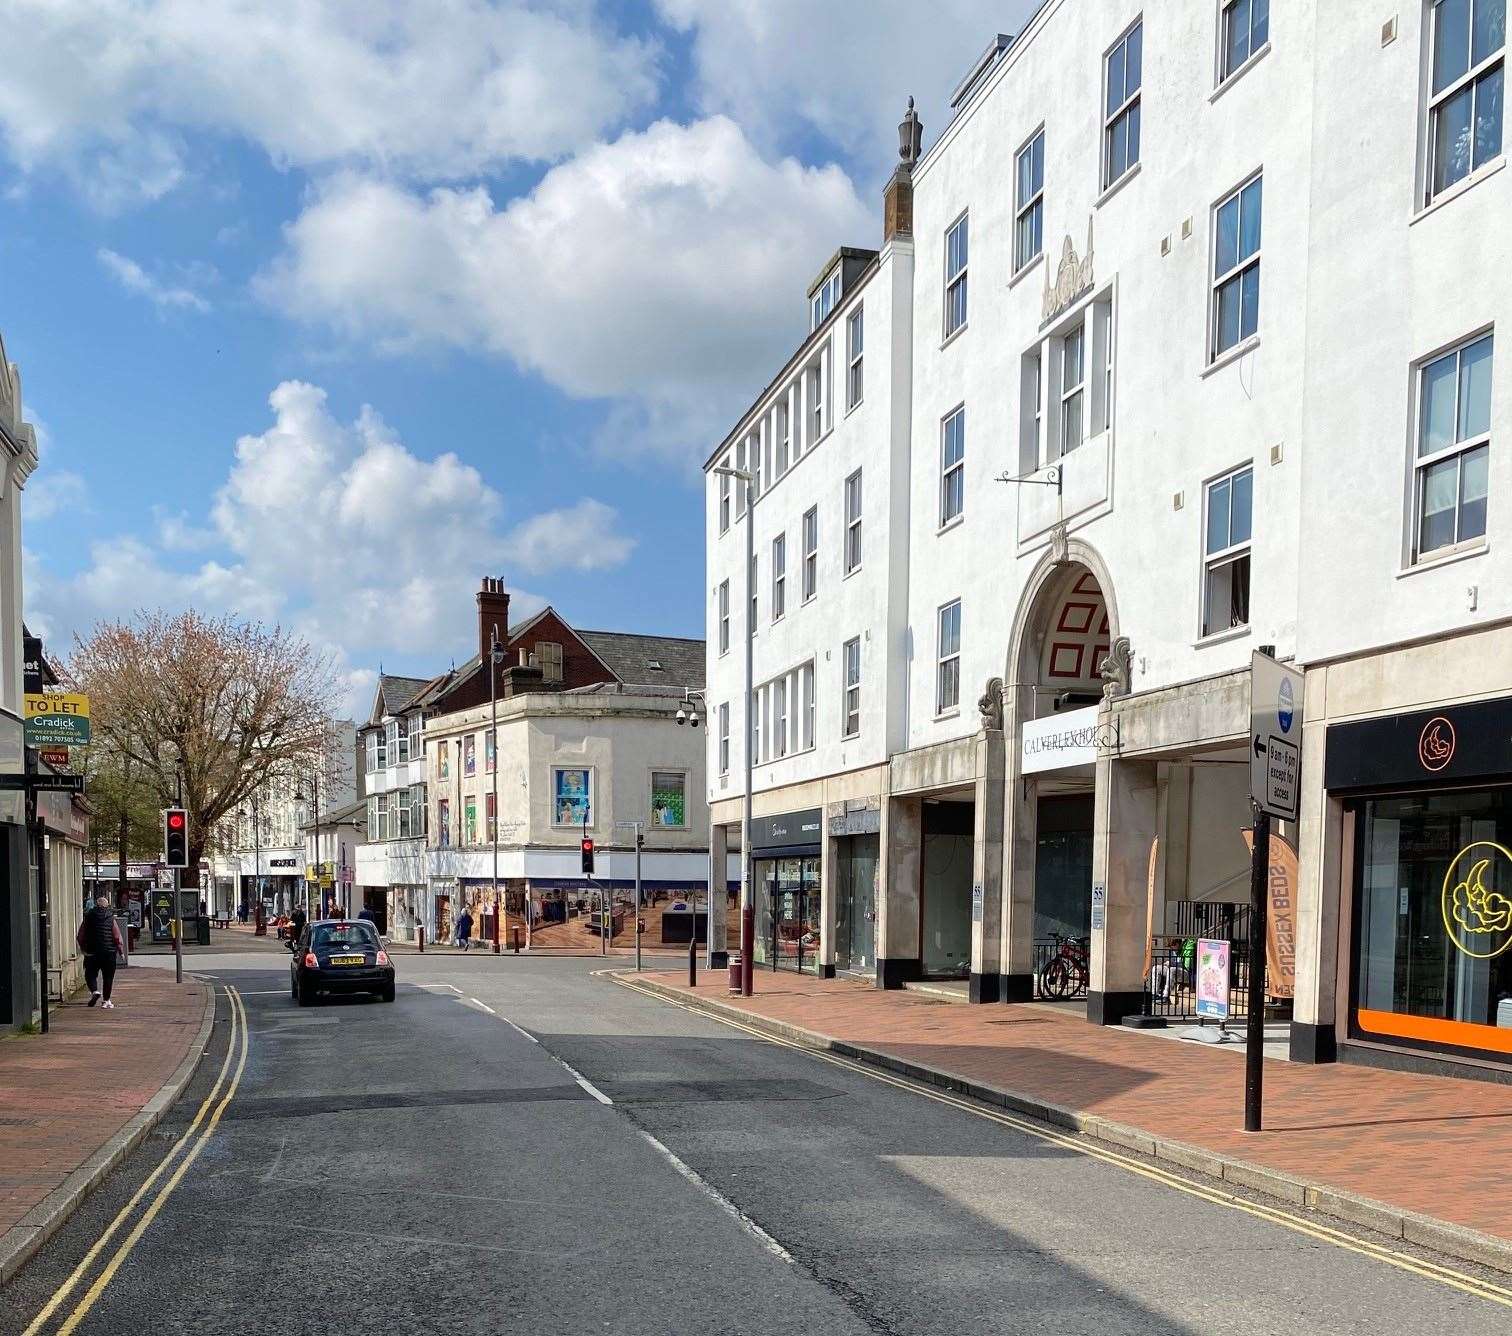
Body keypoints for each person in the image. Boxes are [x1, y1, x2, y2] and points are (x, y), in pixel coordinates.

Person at [76, 893, 125, 1009]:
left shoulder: (88, 917)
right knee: (108, 976)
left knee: (90, 974)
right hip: (109, 952)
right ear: (107, 906)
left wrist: (83, 948)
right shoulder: (110, 917)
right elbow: (117, 936)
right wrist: (121, 951)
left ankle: (94, 991)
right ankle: (106, 1000)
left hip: (92, 951)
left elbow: (80, 935)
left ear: (96, 905)